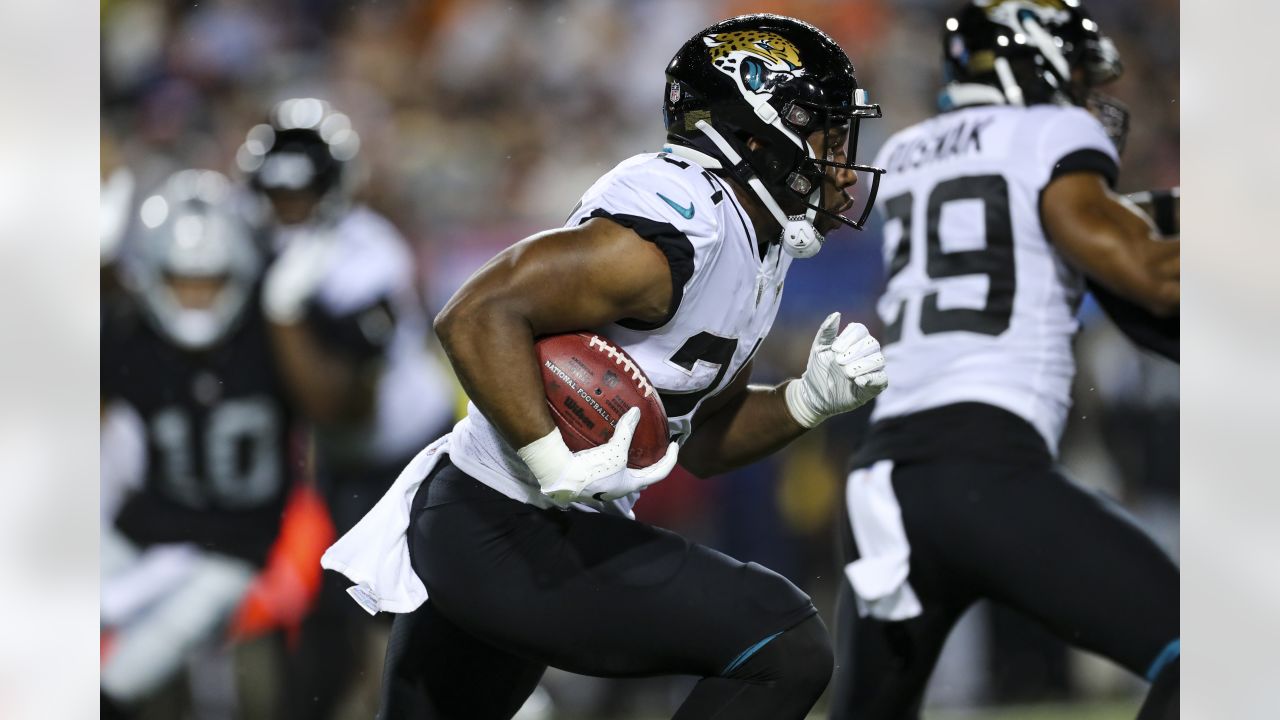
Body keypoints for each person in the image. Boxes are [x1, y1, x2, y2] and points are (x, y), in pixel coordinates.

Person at [322, 14, 889, 720]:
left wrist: (807, 400)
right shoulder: (687, 222)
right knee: (784, 641)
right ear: (756, 130)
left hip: (512, 531)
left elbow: (706, 441)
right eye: (824, 135)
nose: (839, 163)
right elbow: (475, 313)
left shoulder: (755, 238)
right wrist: (549, 456)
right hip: (502, 524)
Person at [828, 3, 1179, 719]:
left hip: (884, 484)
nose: (1086, 97)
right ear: (1038, 62)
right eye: (1077, 76)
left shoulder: (908, 150)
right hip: (988, 468)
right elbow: (1153, 276)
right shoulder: (1052, 132)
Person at [236, 98, 457, 718]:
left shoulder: (367, 258)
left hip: (405, 456)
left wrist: (282, 317)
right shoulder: (268, 248)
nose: (288, 208)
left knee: (398, 618)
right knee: (335, 625)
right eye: (276, 193)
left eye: (300, 192)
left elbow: (343, 408)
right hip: (342, 468)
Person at [100, 170, 299, 716]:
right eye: (181, 280)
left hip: (232, 548)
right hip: (150, 527)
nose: (194, 296)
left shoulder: (274, 334)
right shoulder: (128, 334)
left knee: (116, 683)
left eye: (209, 280)